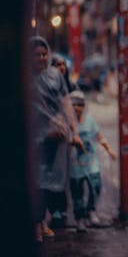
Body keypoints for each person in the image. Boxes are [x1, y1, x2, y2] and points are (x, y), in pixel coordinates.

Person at [29, 36, 84, 243]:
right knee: (36, 182)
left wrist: (74, 130)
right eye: (37, 55)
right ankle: (36, 224)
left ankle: (42, 221)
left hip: (56, 135)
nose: (42, 59)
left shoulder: (55, 76)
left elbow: (66, 102)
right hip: (34, 138)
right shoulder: (23, 77)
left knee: (52, 183)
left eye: (45, 54)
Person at [68, 90, 117, 232]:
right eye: (74, 105)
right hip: (75, 163)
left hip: (91, 161)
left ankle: (91, 210)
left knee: (95, 186)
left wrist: (109, 150)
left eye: (80, 105)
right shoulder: (66, 122)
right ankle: (79, 218)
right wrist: (71, 140)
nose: (77, 108)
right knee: (77, 191)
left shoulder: (90, 120)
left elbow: (99, 136)